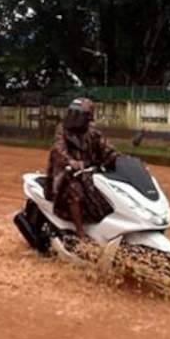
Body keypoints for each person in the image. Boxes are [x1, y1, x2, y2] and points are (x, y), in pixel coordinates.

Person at [47, 98, 119, 238]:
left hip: (88, 173)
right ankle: (80, 233)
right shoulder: (63, 130)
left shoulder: (93, 133)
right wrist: (71, 161)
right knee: (75, 192)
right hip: (64, 175)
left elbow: (108, 150)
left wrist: (121, 160)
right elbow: (58, 149)